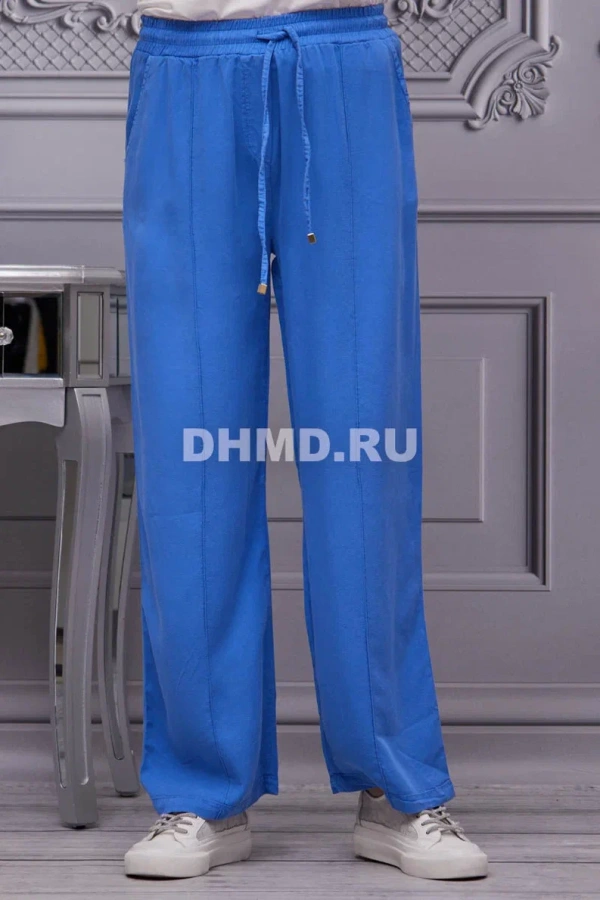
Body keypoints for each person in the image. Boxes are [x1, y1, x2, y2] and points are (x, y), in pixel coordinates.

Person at [121, 0, 489, 882]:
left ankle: (396, 789)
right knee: (190, 461)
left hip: (343, 59)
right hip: (186, 67)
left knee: (366, 458)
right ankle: (204, 792)